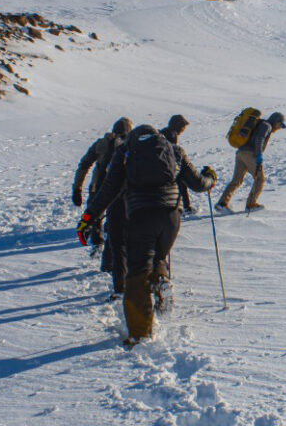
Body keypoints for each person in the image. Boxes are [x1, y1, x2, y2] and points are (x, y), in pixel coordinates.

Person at [77, 124, 217, 347]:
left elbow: (108, 190)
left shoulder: (125, 152)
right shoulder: (174, 150)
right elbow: (199, 184)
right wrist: (210, 178)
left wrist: (87, 219)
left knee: (137, 273)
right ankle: (161, 280)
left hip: (141, 215)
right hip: (171, 218)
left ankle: (140, 334)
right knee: (157, 256)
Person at [72, 117, 133, 266]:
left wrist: (77, 188)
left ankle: (97, 243)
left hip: (98, 186)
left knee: (95, 213)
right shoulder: (129, 146)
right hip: (119, 190)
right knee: (117, 217)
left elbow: (84, 164)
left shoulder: (101, 144)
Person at [215, 111, 286, 212]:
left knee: (236, 180)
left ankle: (222, 204)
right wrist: (259, 154)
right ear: (276, 121)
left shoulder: (260, 124)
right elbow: (259, 139)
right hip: (250, 154)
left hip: (240, 152)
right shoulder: (267, 126)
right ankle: (251, 204)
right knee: (260, 179)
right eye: (280, 125)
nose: (279, 128)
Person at [159, 114, 194, 213]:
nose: (183, 129)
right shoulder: (172, 135)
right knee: (181, 183)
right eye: (183, 127)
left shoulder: (165, 132)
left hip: (162, 165)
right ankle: (186, 207)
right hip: (168, 166)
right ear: (178, 126)